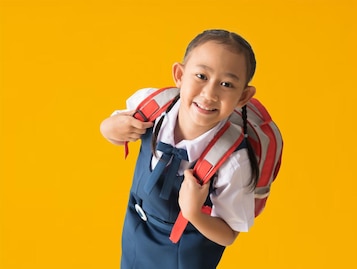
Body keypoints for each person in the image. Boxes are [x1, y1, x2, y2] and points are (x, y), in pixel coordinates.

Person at [100, 29, 259, 269]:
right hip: (136, 228)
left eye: (226, 84)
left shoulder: (233, 161)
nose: (209, 94)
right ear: (180, 75)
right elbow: (118, 131)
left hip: (184, 252)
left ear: (243, 97)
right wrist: (108, 129)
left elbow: (229, 234)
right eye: (201, 76)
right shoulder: (153, 105)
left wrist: (193, 213)